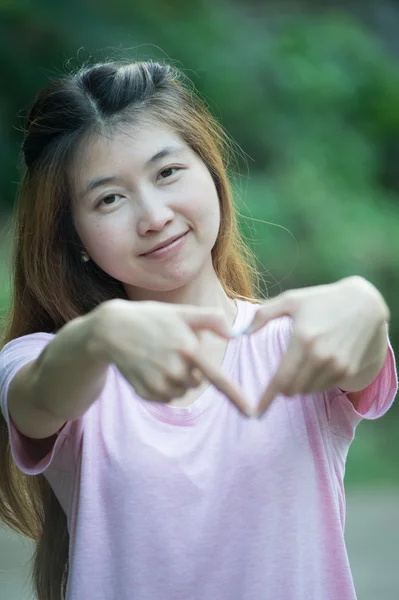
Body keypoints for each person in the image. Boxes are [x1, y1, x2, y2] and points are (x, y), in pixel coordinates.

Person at [0, 60, 396, 600]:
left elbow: (362, 355)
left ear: (211, 171)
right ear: (75, 239)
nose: (154, 215)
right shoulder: (53, 360)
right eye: (108, 199)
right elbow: (36, 395)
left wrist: (367, 303)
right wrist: (100, 337)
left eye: (167, 173)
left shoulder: (294, 340)